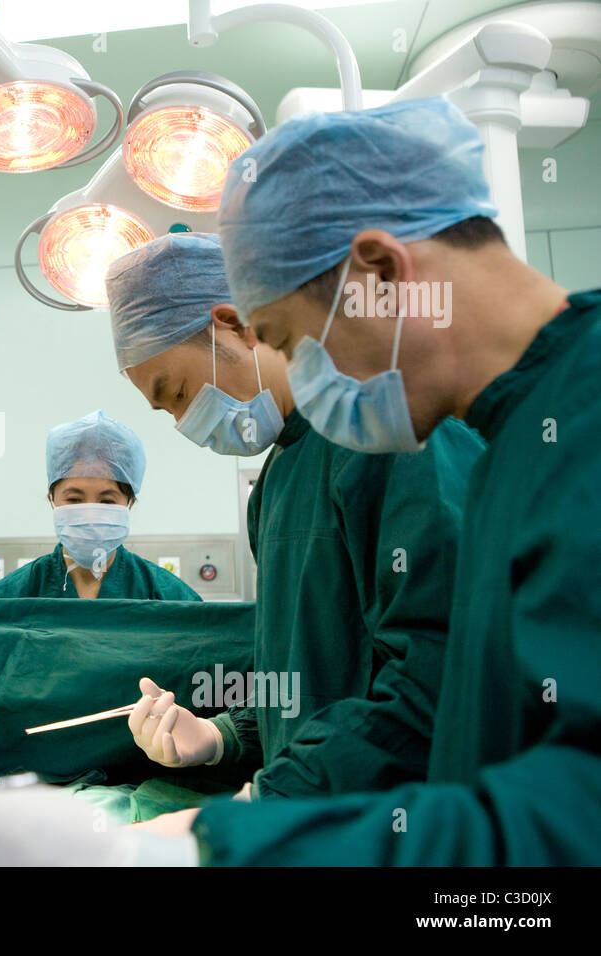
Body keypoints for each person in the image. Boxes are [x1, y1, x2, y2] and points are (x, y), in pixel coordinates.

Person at [0, 96, 601, 866]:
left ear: (378, 274)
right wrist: (228, 745)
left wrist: (214, 835)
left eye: (292, 340)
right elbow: (379, 699)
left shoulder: (543, 427)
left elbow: (497, 754)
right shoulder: (505, 436)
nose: (306, 374)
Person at [103, 232, 483, 802]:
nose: (185, 422)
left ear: (232, 323)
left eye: (179, 392)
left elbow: (443, 678)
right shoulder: (276, 481)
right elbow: (307, 678)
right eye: (168, 412)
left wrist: (278, 797)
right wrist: (220, 735)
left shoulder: (392, 433)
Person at [0, 410, 199, 601]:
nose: (91, 512)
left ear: (129, 504)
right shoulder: (12, 597)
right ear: (52, 499)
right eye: (74, 500)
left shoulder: (165, 595)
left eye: (107, 501)